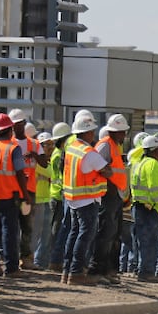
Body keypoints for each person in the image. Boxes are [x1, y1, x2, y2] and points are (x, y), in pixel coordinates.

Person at [62, 113, 112, 286]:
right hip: (87, 200)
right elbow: (107, 171)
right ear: (87, 133)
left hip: (73, 198)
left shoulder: (72, 148)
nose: (93, 134)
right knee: (85, 236)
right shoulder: (88, 153)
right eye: (91, 131)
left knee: (74, 234)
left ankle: (67, 270)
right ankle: (76, 273)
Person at [0, 113, 31, 278]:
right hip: (9, 195)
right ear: (10, 130)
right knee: (9, 232)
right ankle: (11, 268)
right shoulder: (13, 149)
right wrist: (26, 195)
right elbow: (19, 173)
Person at [88, 114, 129, 284]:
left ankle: (108, 269)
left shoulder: (114, 146)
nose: (124, 136)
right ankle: (97, 269)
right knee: (105, 233)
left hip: (115, 197)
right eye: (122, 132)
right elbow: (98, 169)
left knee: (113, 234)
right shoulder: (105, 145)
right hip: (107, 197)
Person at [9, 109, 43, 270]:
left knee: (27, 225)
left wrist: (35, 155)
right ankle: (11, 257)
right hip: (12, 190)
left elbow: (44, 162)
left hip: (28, 191)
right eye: (15, 124)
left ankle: (26, 257)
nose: (17, 127)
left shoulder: (34, 144)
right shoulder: (8, 143)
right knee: (11, 225)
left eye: (20, 124)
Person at [129, 135, 158, 282]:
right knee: (150, 242)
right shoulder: (153, 164)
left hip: (138, 206)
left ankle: (139, 270)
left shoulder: (138, 163)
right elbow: (154, 189)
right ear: (155, 150)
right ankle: (147, 272)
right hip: (150, 209)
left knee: (140, 241)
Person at [47, 122, 71, 272]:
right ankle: (54, 260)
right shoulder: (59, 155)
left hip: (58, 194)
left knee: (60, 229)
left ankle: (56, 259)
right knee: (59, 230)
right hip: (58, 196)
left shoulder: (59, 153)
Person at [32, 132, 55, 270]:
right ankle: (36, 260)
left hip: (46, 198)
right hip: (37, 200)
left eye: (51, 145)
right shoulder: (39, 162)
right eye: (47, 145)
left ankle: (41, 261)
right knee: (37, 233)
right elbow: (50, 173)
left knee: (46, 234)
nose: (50, 148)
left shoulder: (47, 161)